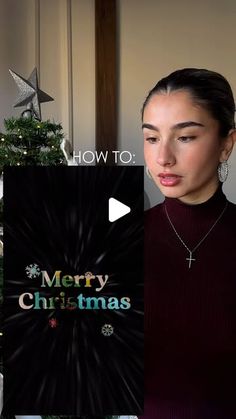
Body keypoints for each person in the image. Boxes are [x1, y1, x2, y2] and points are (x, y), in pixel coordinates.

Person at [141, 68, 236, 418]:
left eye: (185, 137)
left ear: (226, 144)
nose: (163, 157)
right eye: (151, 138)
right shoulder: (116, 241)